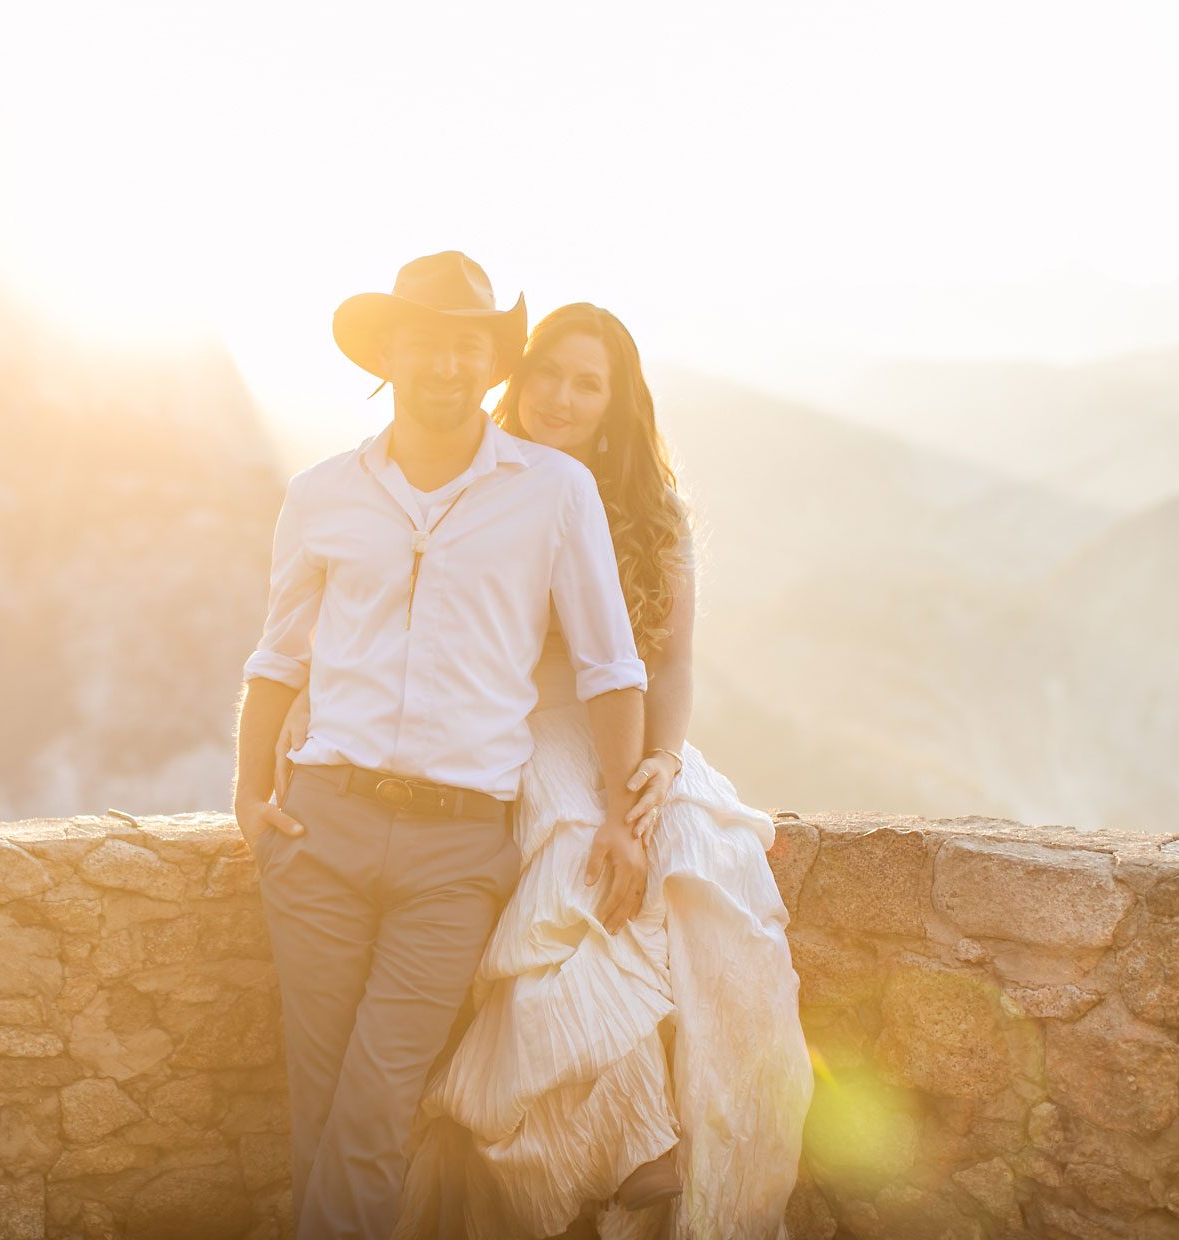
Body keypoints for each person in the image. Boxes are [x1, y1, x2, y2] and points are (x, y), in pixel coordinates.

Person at [281, 303, 814, 1239]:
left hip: (620, 730)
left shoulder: (647, 510)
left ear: (618, 403)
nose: (561, 397)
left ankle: (688, 1139)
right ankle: (629, 1142)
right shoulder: (485, 487)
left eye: (587, 383)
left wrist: (661, 758)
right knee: (577, 881)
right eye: (547, 375)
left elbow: (670, 661)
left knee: (694, 852)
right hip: (505, 735)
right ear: (514, 381)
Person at [234, 253, 656, 1240]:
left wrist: (618, 817)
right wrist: (252, 797)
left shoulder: (553, 491)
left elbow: (609, 664)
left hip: (459, 851)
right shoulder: (323, 493)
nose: (446, 363)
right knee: (323, 1102)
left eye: (468, 344)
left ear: (492, 362)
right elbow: (276, 657)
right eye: (425, 341)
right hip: (319, 826)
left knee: (375, 1106)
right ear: (389, 352)